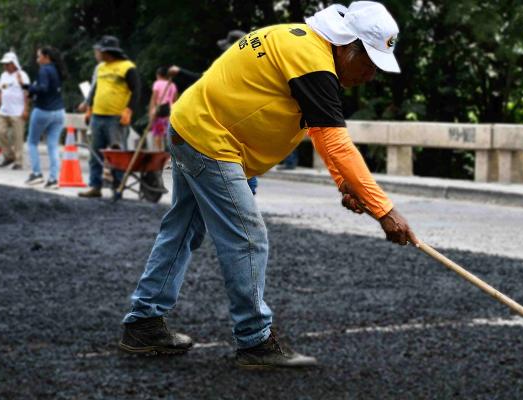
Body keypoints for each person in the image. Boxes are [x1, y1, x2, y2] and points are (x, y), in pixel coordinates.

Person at [119, 1, 417, 370]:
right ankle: (255, 340)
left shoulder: (305, 46)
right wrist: (384, 210)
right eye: (369, 63)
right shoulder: (312, 60)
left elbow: (321, 135)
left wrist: (346, 184)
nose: (370, 75)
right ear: (347, 46)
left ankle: (143, 323)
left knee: (182, 230)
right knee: (247, 237)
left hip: (196, 128)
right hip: (213, 141)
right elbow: (336, 141)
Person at [167, 30, 260, 194]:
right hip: (244, 122)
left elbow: (203, 81)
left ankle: (242, 200)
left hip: (232, 121)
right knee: (241, 162)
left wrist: (180, 72)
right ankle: (244, 197)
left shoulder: (234, 66)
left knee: (236, 162)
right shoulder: (255, 64)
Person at [78, 36, 140, 199]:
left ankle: (117, 187)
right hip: (98, 116)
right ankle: (95, 186)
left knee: (116, 154)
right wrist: (89, 109)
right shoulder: (101, 68)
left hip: (115, 118)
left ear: (107, 52)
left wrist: (129, 110)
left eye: (98, 50)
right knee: (95, 154)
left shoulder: (127, 67)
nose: (96, 53)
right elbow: (95, 89)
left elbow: (136, 90)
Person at [24, 47, 66, 188]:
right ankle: (53, 179)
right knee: (53, 146)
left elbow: (42, 88)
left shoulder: (44, 70)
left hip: (43, 110)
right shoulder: (57, 70)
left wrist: (28, 88)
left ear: (46, 57)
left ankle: (37, 173)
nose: (37, 59)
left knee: (32, 142)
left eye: (38, 56)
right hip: (59, 111)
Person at [0, 51, 30, 170]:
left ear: (14, 63)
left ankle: (18, 161)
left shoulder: (22, 75)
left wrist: (25, 109)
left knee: (17, 137)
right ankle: (9, 156)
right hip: (4, 110)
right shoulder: (3, 75)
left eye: (7, 63)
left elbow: (26, 93)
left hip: (17, 111)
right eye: (4, 64)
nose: (5, 66)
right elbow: (0, 91)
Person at [148, 66, 177, 151]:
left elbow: (154, 99)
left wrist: (151, 112)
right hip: (170, 112)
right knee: (172, 134)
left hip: (160, 111)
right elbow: (175, 100)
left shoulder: (157, 83)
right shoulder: (172, 84)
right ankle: (174, 153)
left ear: (158, 75)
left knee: (158, 134)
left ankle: (159, 151)